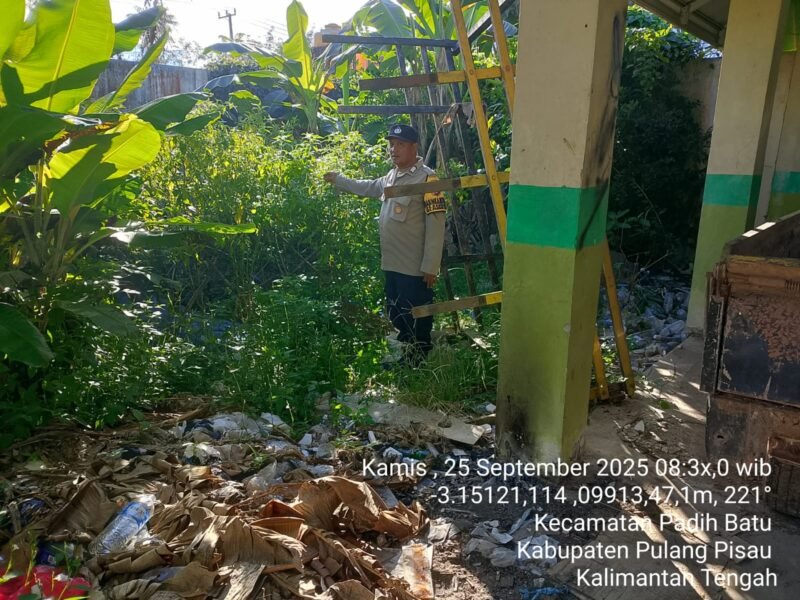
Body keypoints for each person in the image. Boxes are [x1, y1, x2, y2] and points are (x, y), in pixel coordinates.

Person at [324, 124, 446, 365]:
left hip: (414, 265)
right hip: (392, 262)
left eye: (400, 144)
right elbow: (367, 187)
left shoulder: (427, 178)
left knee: (416, 310)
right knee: (396, 309)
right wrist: (339, 180)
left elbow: (436, 224)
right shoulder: (391, 176)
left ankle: (418, 357)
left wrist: (431, 265)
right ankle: (408, 351)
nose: (394, 149)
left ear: (414, 147)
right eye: (391, 144)